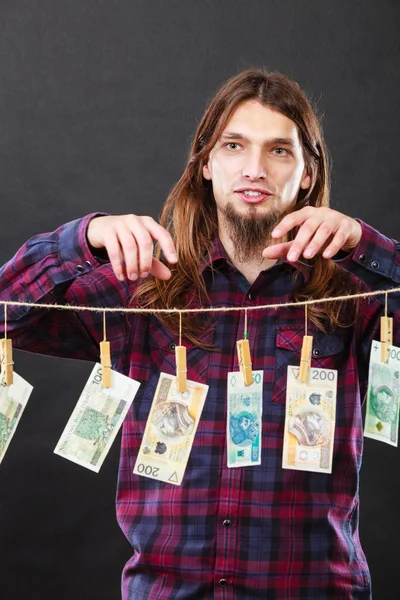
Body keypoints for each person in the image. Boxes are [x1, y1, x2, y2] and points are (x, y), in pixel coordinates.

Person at [0, 68, 399, 599]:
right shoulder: (144, 290)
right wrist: (85, 237)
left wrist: (370, 248)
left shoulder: (359, 295)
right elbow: (9, 312)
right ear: (207, 164)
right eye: (234, 145)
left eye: (279, 150)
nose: (254, 168)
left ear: (307, 174)